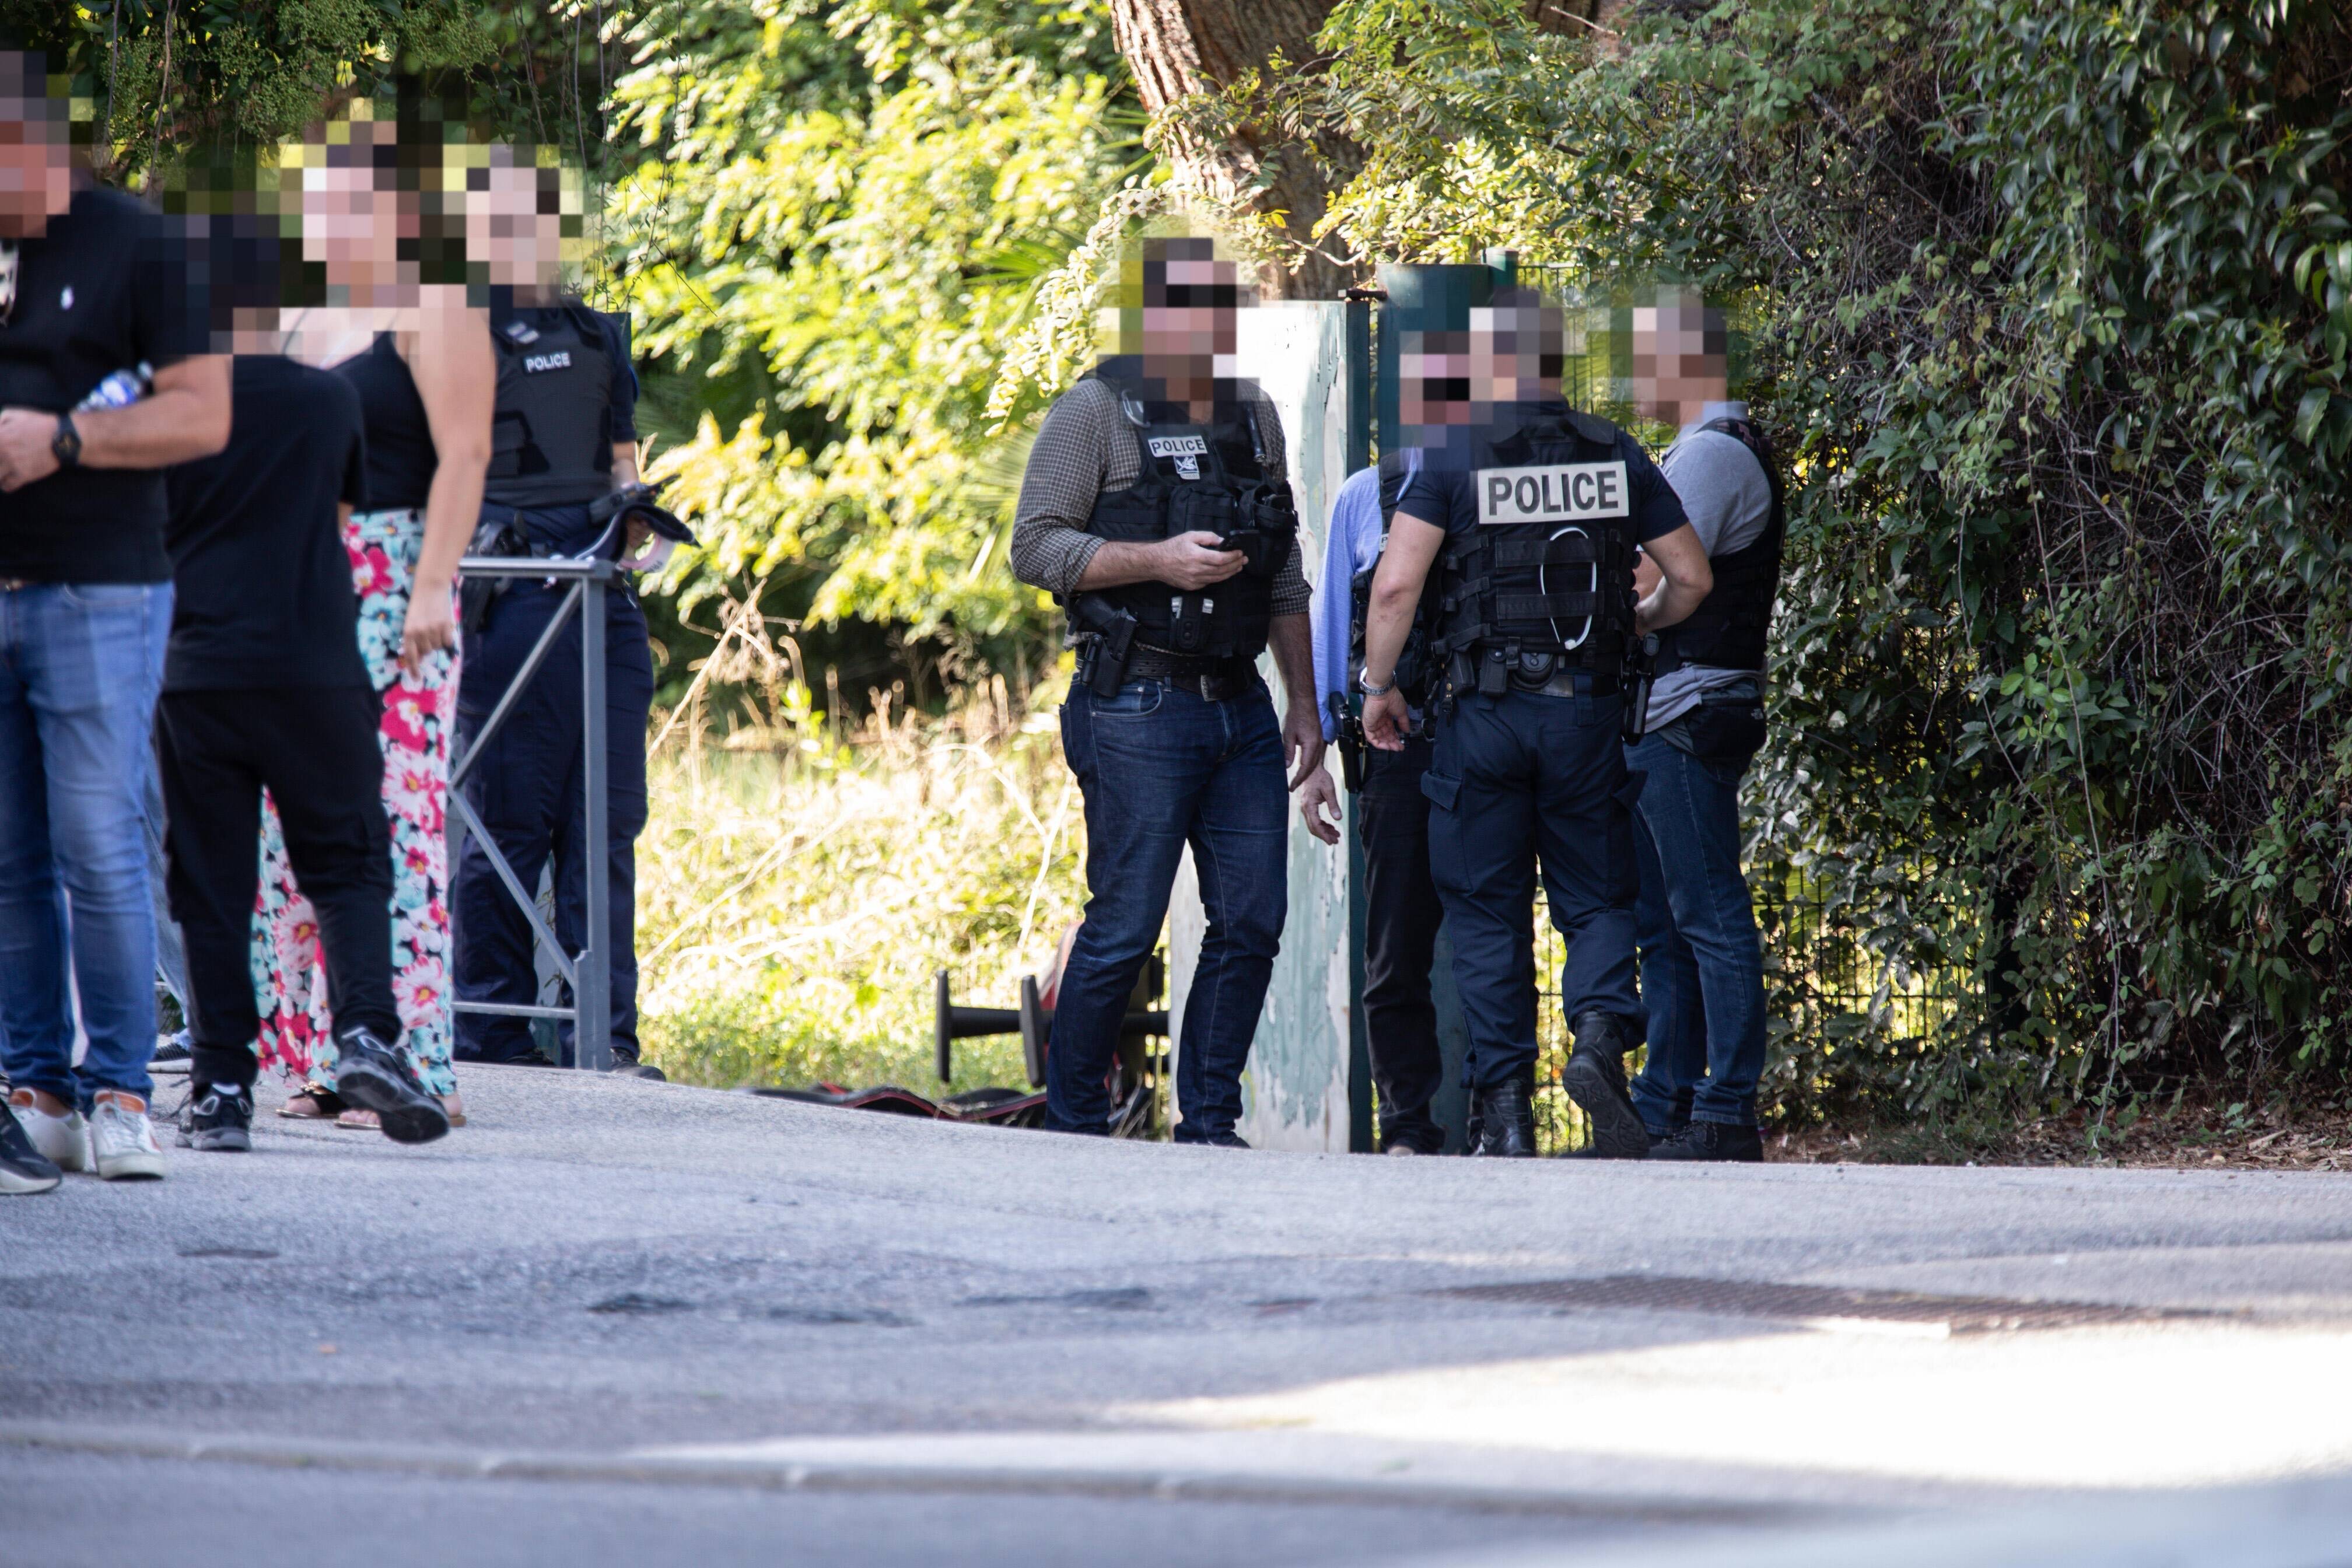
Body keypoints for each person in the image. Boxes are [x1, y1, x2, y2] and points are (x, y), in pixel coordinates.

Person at [1357, 289, 1712, 1158]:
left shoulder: (1452, 455)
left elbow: (1396, 586)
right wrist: (1642, 622)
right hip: (1585, 714)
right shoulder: (1614, 452)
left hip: (1480, 716)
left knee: (1487, 910)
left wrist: (1378, 686)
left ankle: (1508, 1113)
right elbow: (1693, 578)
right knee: (1597, 898)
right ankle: (1597, 1035)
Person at [1008, 232, 1322, 1145]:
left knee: (1251, 921)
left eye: (1222, 310)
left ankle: (1209, 1127)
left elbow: (1284, 570)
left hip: (1241, 706)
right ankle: (1074, 1126)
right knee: (1124, 927)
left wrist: (1305, 704)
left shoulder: (1253, 413)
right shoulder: (1095, 412)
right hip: (1134, 703)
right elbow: (1035, 546)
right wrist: (1157, 561)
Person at [0, 51, 229, 1196]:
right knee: (10, 858)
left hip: (100, 588)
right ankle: (36, 1094)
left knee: (99, 844)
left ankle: (123, 1096)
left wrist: (65, 441)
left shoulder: (141, 243)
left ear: (32, 143)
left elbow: (204, 414)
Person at [156, 336, 454, 1152]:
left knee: (212, 886)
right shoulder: (331, 400)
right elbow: (342, 520)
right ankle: (364, 1035)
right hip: (315, 668)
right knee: (349, 862)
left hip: (199, 670)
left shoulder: (166, 407)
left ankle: (222, 1090)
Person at [260, 108, 494, 1130]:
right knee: (289, 827)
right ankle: (324, 1058)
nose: (327, 214)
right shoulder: (300, 314)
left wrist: (432, 586)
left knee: (392, 818)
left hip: (397, 572)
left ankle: (413, 1060)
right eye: (318, 196)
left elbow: (467, 452)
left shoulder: (434, 303)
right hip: (295, 579)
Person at [450, 143, 661, 1076]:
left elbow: (620, 465)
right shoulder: (453, 332)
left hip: (602, 602)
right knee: (508, 823)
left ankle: (603, 1037)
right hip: (508, 602)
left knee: (606, 825)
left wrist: (638, 517)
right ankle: (493, 1036)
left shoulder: (596, 334)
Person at [1623, 289, 1777, 1163]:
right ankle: (1665, 1107)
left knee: (1708, 914)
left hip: (1689, 711)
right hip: (1676, 709)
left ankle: (1726, 1110)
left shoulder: (1713, 456)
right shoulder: (1705, 449)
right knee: (1669, 922)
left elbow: (1644, 575)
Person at [1300, 448, 1448, 1154]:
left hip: (1484, 740)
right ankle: (1410, 1126)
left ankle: (1494, 1118)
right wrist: (1317, 757)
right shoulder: (1368, 494)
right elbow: (1334, 622)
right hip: (1397, 743)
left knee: (1488, 935)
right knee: (1399, 946)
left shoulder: (1499, 481)